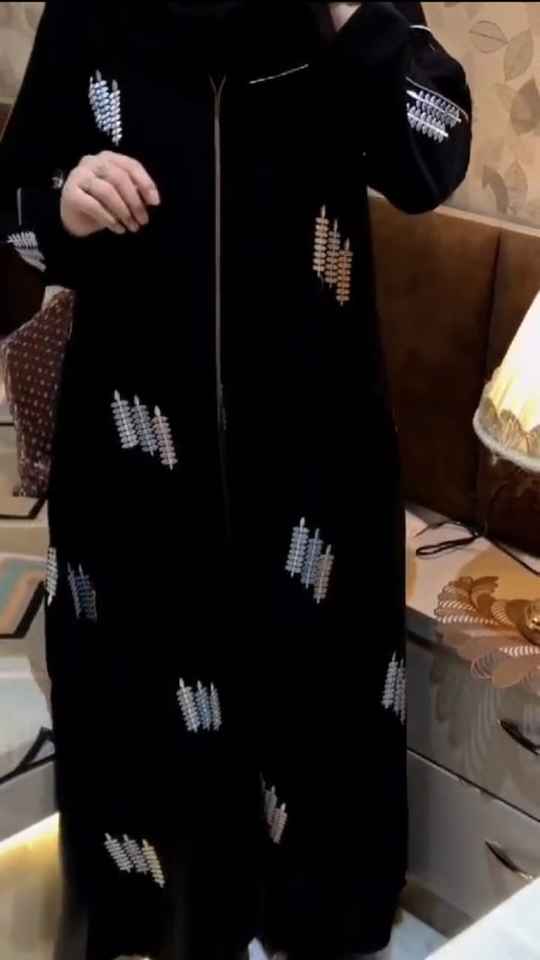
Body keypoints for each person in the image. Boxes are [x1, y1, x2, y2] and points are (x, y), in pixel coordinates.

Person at [0, 2, 471, 959]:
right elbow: (14, 198)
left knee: (320, 727)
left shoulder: (343, 16)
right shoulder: (93, 13)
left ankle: (316, 920)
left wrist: (355, 16)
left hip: (315, 467)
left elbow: (430, 161)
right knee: (146, 749)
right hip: (135, 459)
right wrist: (64, 204)